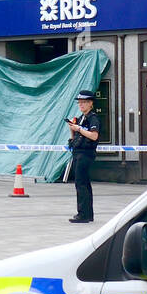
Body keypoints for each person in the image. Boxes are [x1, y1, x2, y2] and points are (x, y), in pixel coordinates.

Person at [65, 89, 101, 223]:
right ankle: (87, 214)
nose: (81, 105)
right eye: (79, 103)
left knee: (81, 184)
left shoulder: (93, 118)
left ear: (90, 103)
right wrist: (72, 130)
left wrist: (79, 129)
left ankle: (83, 214)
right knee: (84, 183)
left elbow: (94, 135)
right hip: (78, 152)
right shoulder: (81, 118)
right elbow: (76, 138)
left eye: (84, 102)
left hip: (86, 153)